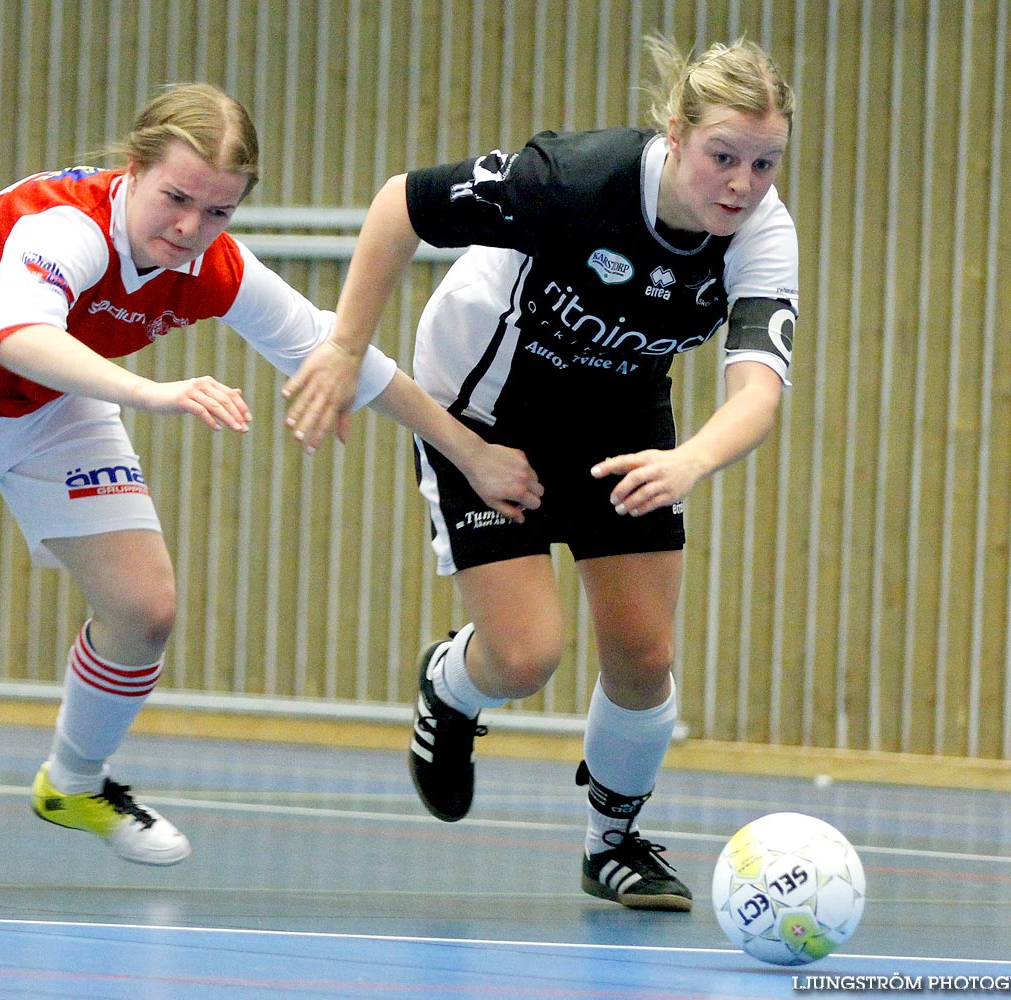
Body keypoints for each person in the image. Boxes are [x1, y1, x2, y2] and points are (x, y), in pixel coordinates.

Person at [0, 82, 542, 879]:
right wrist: (152, 392)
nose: (191, 227)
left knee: (145, 610)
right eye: (176, 198)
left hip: (50, 402)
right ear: (132, 169)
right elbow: (18, 336)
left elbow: (339, 352)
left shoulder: (214, 265)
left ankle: (73, 782)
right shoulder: (61, 226)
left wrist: (471, 452)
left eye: (220, 209)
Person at [283, 37, 798, 911]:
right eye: (723, 156)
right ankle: (451, 689)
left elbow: (757, 390)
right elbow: (398, 206)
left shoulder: (760, 234)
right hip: (486, 408)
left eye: (763, 162)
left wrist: (690, 460)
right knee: (527, 658)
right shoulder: (569, 180)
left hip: (621, 424)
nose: (741, 184)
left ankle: (613, 842)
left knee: (645, 657)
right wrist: (344, 348)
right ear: (674, 134)